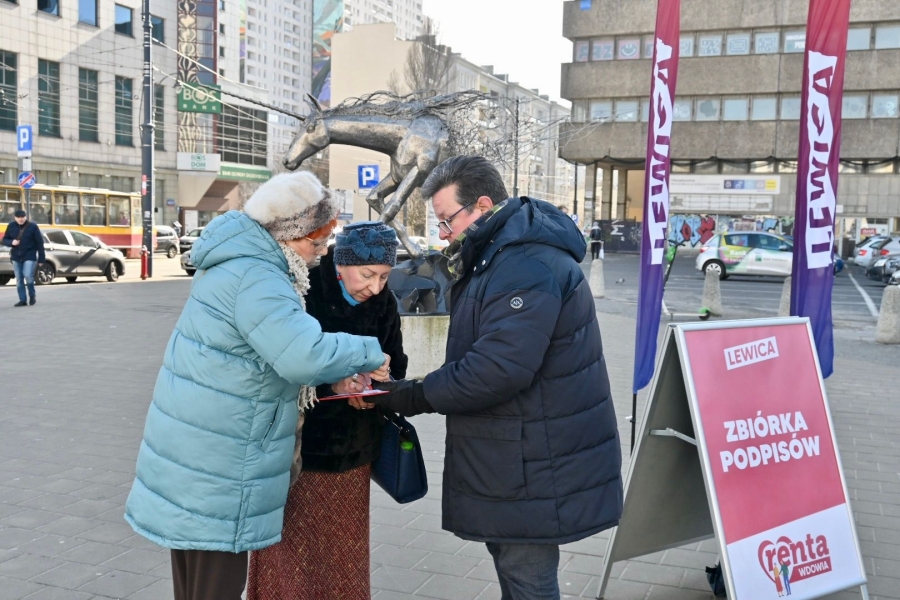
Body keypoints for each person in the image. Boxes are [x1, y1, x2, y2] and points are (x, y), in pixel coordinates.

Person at [124, 171, 389, 600]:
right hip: (221, 458)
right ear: (290, 233)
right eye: (317, 240)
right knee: (216, 583)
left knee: (195, 580)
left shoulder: (239, 261)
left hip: (200, 447)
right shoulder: (258, 276)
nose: (322, 251)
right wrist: (369, 351)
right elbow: (302, 354)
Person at [372, 156, 623, 599]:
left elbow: (496, 370)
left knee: (527, 578)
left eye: (447, 220)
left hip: (532, 458)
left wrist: (407, 395)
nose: (443, 233)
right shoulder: (501, 255)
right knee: (518, 573)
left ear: (483, 206)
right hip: (519, 451)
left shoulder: (524, 264)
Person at [247, 221, 408, 600]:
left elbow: (397, 364)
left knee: (343, 559)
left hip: (354, 455)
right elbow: (280, 366)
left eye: (385, 276)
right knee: (289, 559)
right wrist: (332, 384)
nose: (376, 287)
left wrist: (380, 383)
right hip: (299, 451)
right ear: (341, 263)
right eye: (367, 275)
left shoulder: (383, 302)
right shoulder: (306, 290)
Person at [3, 209, 45, 307]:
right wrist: (11, 242)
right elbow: (5, 239)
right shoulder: (11, 226)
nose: (21, 219)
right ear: (15, 218)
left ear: (26, 217)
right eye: (18, 217)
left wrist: (41, 258)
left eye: (22, 217)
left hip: (29, 255)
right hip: (16, 256)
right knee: (19, 279)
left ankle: (32, 294)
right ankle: (22, 300)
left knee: (27, 275)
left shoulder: (33, 226)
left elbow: (40, 243)